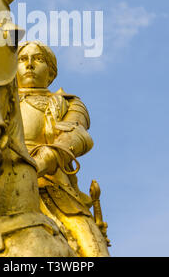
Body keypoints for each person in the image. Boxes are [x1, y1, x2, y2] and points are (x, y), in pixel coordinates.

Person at [17, 41, 109, 257]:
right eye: (22, 59)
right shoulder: (0, 102)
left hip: (52, 186)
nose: (29, 64)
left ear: (51, 72)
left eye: (38, 59)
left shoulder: (70, 103)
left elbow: (77, 135)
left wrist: (45, 159)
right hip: (3, 182)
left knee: (93, 249)